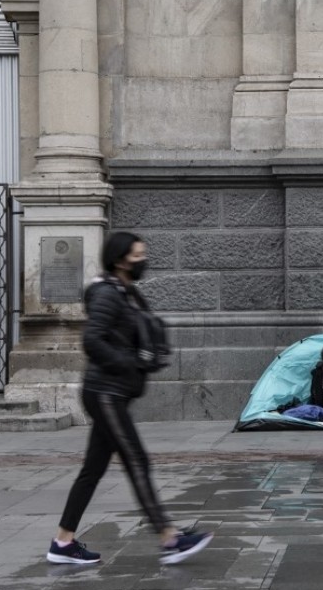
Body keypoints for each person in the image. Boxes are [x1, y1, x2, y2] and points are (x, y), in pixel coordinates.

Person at [47, 232, 212, 566]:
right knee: (137, 460)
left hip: (112, 391)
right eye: (138, 255)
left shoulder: (125, 292)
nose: (143, 260)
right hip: (105, 391)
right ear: (121, 259)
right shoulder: (107, 293)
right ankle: (169, 538)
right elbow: (92, 341)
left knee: (92, 470)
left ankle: (63, 542)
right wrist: (130, 365)